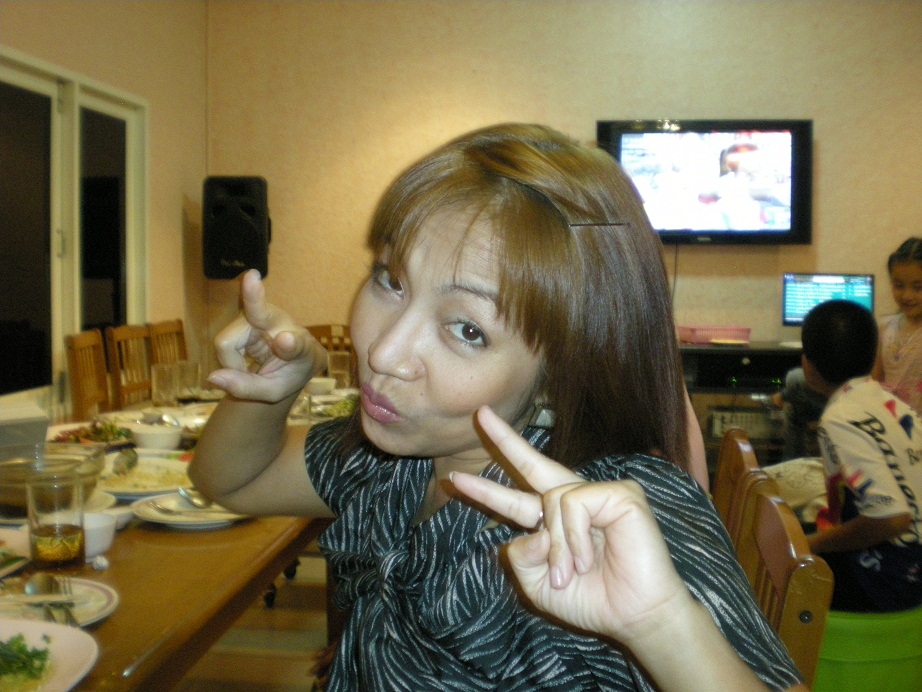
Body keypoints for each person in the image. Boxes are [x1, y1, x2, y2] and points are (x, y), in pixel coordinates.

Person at [191, 124, 804, 690]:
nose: (383, 352)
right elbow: (230, 480)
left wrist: (662, 625)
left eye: (467, 330)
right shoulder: (401, 454)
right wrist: (271, 391)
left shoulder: (612, 516)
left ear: (558, 377)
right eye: (391, 280)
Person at [800, 300, 922, 612]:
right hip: (909, 568)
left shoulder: (839, 419)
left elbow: (892, 518)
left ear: (808, 365)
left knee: (777, 557)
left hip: (889, 582)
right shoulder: (890, 403)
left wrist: (812, 544)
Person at [873, 237, 922, 416]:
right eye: (899, 286)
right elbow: (875, 381)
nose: (907, 295)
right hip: (889, 422)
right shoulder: (884, 328)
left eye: (918, 287)